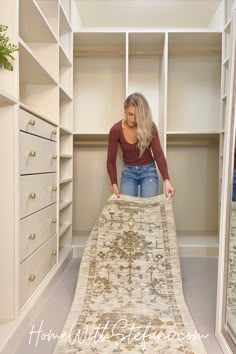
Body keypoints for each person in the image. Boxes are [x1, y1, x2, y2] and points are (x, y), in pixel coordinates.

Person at [107, 92, 175, 198]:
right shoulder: (116, 130)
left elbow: (158, 154)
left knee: (148, 210)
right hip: (128, 172)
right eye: (130, 114)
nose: (133, 119)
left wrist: (167, 180)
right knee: (128, 211)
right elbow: (111, 161)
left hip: (148, 171)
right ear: (125, 111)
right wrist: (114, 184)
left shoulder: (150, 126)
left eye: (137, 115)